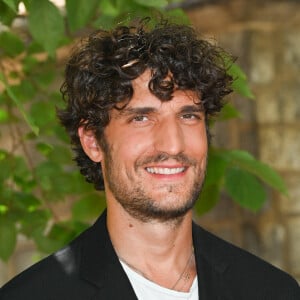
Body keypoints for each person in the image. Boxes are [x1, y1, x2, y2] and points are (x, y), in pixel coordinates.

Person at [0, 18, 299, 300]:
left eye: (188, 115)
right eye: (141, 117)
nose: (172, 144)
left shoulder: (272, 290)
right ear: (93, 141)